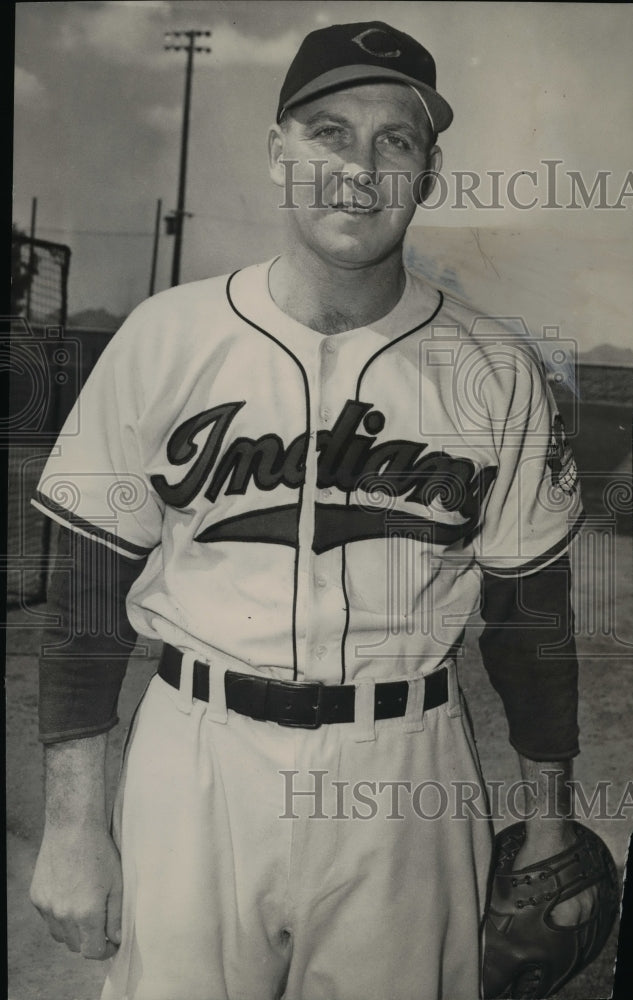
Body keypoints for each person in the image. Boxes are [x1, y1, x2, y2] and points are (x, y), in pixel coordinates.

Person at [29, 20, 595, 1000]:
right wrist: (76, 822)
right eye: (329, 131)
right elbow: (84, 597)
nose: (359, 168)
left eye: (395, 140)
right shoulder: (166, 339)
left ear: (428, 171)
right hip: (197, 757)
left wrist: (548, 817)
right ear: (276, 149)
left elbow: (531, 619)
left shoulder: (496, 369)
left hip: (407, 771)